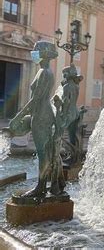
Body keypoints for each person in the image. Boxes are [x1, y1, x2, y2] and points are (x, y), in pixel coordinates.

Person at [5, 41, 65, 197]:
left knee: (43, 153)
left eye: (36, 50)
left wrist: (17, 116)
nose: (34, 53)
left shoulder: (45, 72)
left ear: (44, 53)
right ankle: (48, 185)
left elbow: (36, 99)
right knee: (44, 152)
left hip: (42, 114)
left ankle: (41, 187)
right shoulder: (43, 71)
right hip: (40, 113)